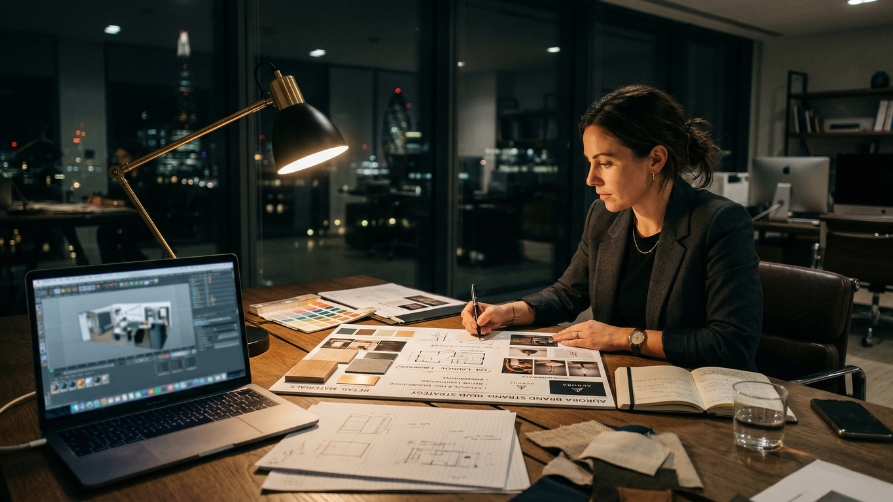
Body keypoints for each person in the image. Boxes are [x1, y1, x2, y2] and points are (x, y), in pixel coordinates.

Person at [461, 85, 763, 371]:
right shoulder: (604, 216)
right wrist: (506, 313)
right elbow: (567, 294)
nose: (591, 179)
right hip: (621, 378)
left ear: (655, 159)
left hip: (695, 392)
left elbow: (731, 344)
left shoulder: (719, 222)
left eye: (605, 163)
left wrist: (622, 337)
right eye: (590, 163)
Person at [88, 141, 153, 262]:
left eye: (124, 157)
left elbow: (139, 201)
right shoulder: (127, 177)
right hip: (131, 220)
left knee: (114, 233)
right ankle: (117, 265)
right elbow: (118, 196)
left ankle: (126, 262)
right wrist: (100, 198)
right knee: (105, 231)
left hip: (149, 221)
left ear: (136, 156)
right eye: (119, 158)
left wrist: (109, 203)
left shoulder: (147, 176)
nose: (120, 162)